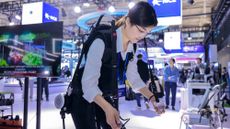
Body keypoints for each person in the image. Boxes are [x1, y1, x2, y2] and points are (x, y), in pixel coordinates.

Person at [71, 2, 164, 129]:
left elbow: (134, 79)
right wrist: (108, 109)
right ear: (128, 21)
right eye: (141, 30)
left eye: (147, 32)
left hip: (104, 97)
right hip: (83, 99)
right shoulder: (102, 41)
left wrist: (152, 98)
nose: (142, 36)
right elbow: (88, 85)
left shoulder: (132, 46)